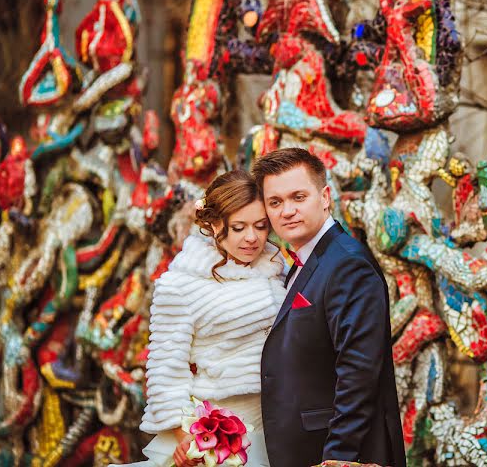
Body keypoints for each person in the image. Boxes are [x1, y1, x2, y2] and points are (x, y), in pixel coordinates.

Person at [254, 148, 406, 467]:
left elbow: (358, 370)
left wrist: (338, 455)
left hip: (339, 453)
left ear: (324, 197)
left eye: (298, 197)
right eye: (275, 202)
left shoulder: (348, 264)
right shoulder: (300, 261)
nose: (287, 211)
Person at [124, 170, 287, 467]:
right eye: (238, 228)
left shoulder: (277, 268)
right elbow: (165, 366)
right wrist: (182, 432)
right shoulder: (180, 285)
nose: (252, 238)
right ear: (213, 224)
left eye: (261, 226)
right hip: (221, 433)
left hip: (280, 424)